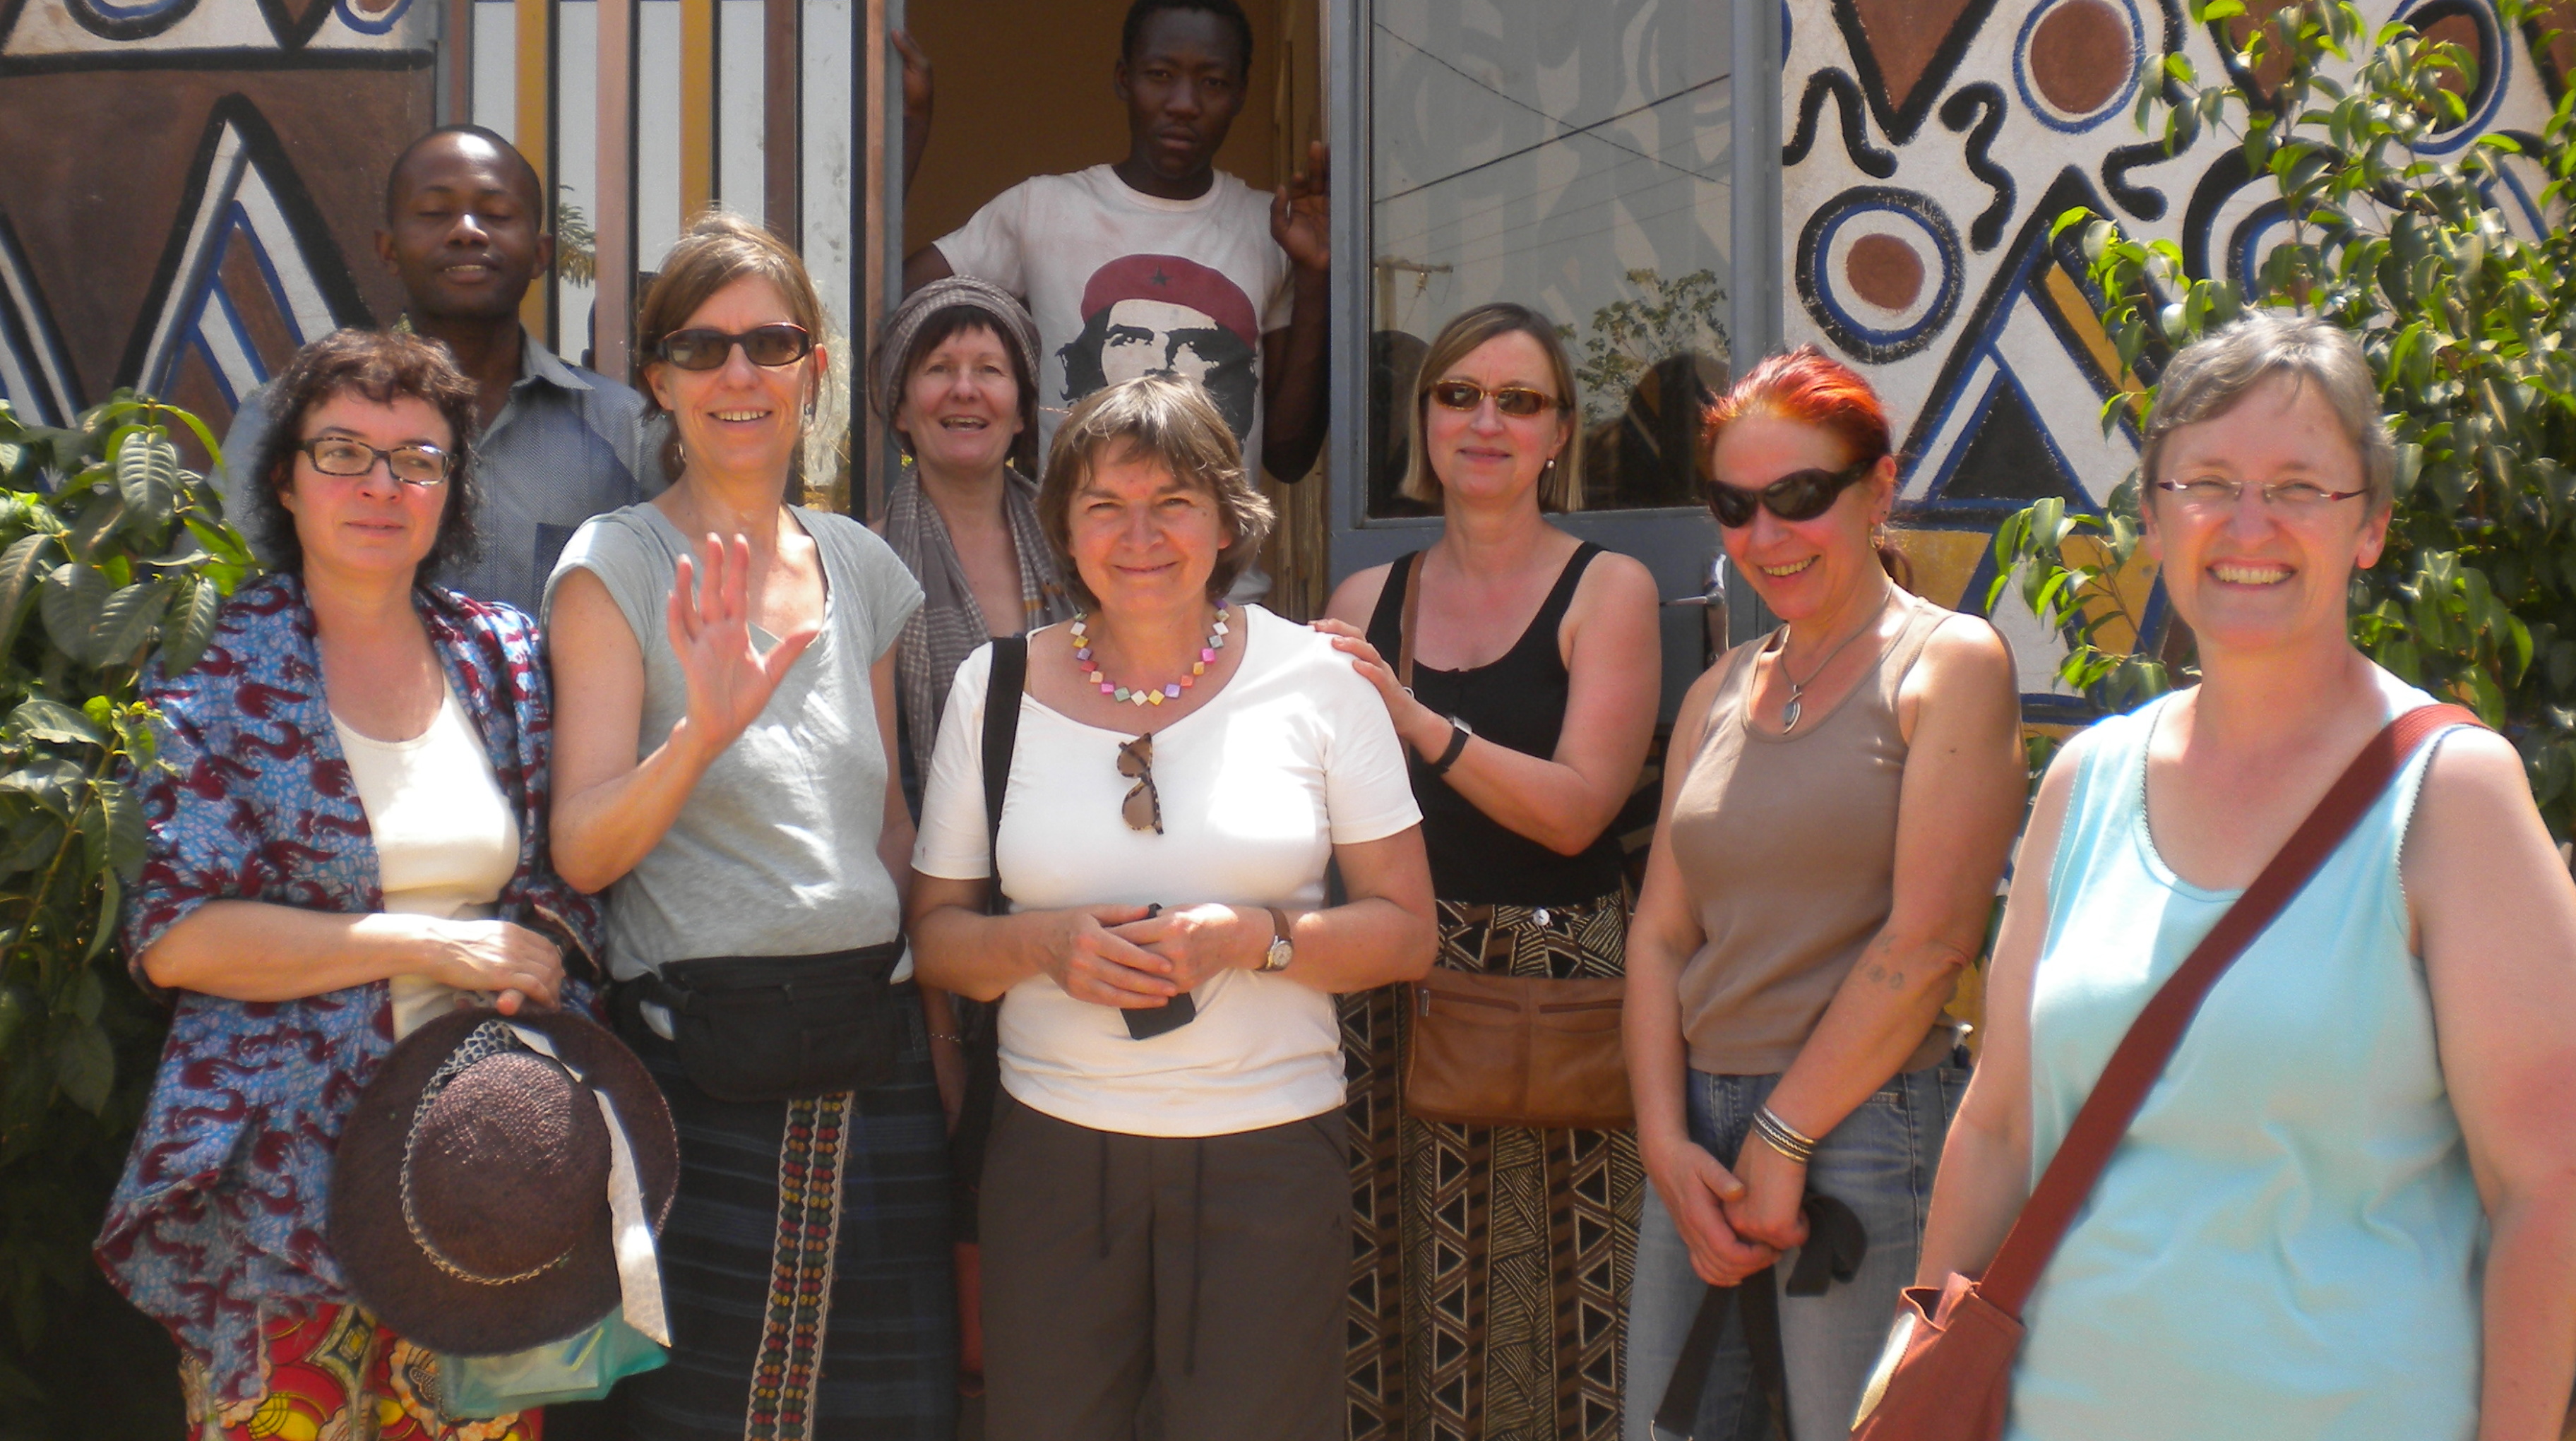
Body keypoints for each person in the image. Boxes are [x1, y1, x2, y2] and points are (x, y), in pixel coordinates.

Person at [1913, 314, 2576, 1440]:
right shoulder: (2085, 781)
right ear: (2154, 519)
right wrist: (1917, 1373)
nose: (2249, 524)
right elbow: (1998, 1127)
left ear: (2369, 525)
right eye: (2206, 482)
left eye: (2301, 487)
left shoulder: (2452, 797)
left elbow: (2549, 1192)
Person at [906, 375, 1437, 1441]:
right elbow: (939, 942)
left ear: (1228, 519)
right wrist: (1046, 944)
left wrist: (1256, 938)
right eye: (1105, 504)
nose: (1139, 534)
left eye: (1174, 501)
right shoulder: (994, 687)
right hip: (1054, 1157)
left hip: (1268, 1159)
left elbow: (1407, 932)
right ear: (1062, 525)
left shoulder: (1317, 682)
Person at [94, 327, 598, 1440]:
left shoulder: (504, 654)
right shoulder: (218, 664)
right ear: (285, 477)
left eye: (417, 460)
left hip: (479, 1173)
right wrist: (428, 944)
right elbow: (178, 937)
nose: (382, 484)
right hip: (282, 1178)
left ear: (452, 487)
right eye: (343, 452)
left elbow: (564, 890)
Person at [544, 210, 949, 1439]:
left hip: (867, 1055)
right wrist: (703, 732)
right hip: (698, 1058)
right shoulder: (611, 565)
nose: (738, 374)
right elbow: (586, 848)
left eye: (771, 343)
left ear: (814, 371)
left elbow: (890, 822)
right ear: (657, 380)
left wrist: (925, 1032)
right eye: (703, 346)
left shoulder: (860, 565)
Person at [1621, 346, 2025, 1440]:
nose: (1766, 536)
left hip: (1864, 1121)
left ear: (1879, 486)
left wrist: (1785, 1137)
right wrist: (1665, 1142)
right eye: (1735, 506)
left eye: (1801, 497)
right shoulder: (1718, 685)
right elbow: (1659, 937)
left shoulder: (1948, 664)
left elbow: (1929, 943)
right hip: (1701, 1126)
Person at [1316, 302, 1662, 1440]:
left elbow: (1575, 814)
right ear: (1425, 421)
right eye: (1460, 395)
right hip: (1396, 992)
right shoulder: (1366, 604)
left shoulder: (1610, 588)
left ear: (1560, 433)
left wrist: (1419, 720)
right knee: (1394, 1310)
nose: (1486, 422)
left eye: (1519, 401)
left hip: (1552, 993)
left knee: (1562, 1324)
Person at [220, 124, 666, 615]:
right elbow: (215, 605)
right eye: (434, 213)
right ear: (388, 249)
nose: (467, 230)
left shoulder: (628, 431)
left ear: (541, 255)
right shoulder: (284, 418)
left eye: (496, 214)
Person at [898, 0, 1330, 494]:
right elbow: (884, 302)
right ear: (1125, 79)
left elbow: (1290, 455)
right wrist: (908, 127)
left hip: (1224, 574)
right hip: (1066, 570)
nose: (1184, 102)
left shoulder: (1270, 227)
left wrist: (1315, 273)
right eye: (1161, 74)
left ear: (1240, 94)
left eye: (1212, 82)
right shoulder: (1040, 210)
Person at [871, 275, 1075, 809]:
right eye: (939, 369)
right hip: (923, 852)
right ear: (900, 408)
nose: (965, 389)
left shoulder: (1081, 549)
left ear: (1022, 411)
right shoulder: (864, 566)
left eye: (989, 370)